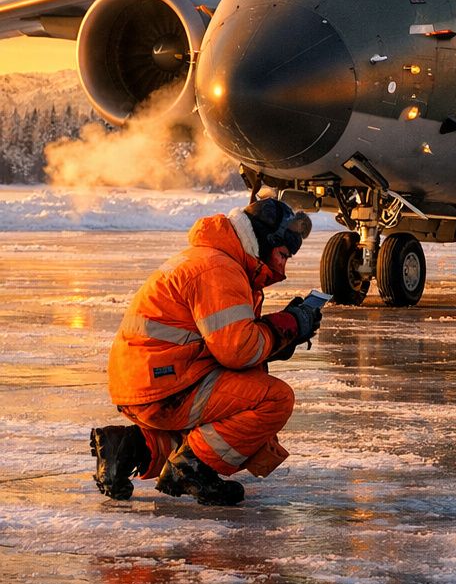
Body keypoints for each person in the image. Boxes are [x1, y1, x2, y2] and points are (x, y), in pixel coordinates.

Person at [89, 198, 322, 505]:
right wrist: (288, 325)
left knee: (231, 423)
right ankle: (191, 468)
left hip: (151, 378)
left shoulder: (213, 258)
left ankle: (130, 447)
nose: (282, 268)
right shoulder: (219, 269)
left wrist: (286, 331)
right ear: (265, 243)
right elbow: (237, 351)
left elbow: (227, 342)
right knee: (273, 400)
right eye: (282, 255)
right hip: (166, 385)